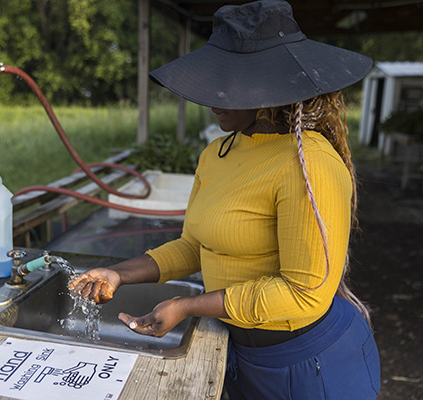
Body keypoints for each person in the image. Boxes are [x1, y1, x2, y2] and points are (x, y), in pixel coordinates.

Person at [69, 0, 381, 398]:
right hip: (244, 351)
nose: (214, 95)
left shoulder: (309, 164)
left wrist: (187, 305)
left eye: (230, 82)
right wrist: (119, 273)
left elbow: (303, 295)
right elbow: (195, 247)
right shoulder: (218, 153)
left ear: (271, 86)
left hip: (309, 364)